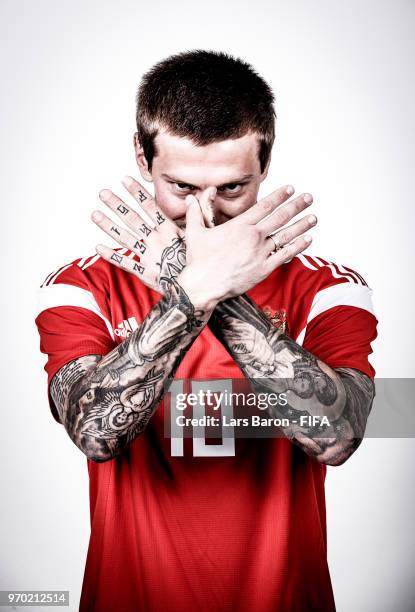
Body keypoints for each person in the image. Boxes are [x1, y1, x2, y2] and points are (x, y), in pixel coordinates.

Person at [35, 50, 378, 612]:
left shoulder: (332, 288)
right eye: (182, 188)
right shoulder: (77, 287)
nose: (205, 216)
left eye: (231, 189)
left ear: (265, 165)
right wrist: (192, 290)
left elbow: (339, 437)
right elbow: (96, 433)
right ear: (142, 158)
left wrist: (203, 288)